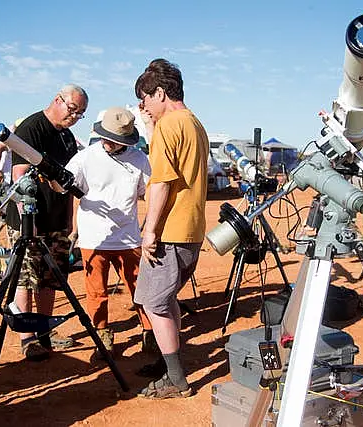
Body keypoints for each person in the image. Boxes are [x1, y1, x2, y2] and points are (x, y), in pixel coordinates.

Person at [133, 58, 208, 399]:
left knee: (155, 304)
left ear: (160, 92)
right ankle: (170, 364)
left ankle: (176, 379)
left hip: (169, 231)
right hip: (190, 229)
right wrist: (152, 126)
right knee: (167, 299)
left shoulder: (169, 127)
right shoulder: (193, 122)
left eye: (145, 98)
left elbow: (162, 181)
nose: (142, 106)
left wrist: (150, 230)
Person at [64, 106, 156, 360]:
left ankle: (150, 331)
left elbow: (147, 193)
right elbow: (65, 184)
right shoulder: (85, 158)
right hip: (94, 238)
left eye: (114, 139)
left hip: (128, 237)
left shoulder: (139, 159)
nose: (108, 142)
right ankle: (101, 334)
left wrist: (151, 227)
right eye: (106, 136)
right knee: (96, 292)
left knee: (140, 288)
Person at [5, 84, 88, 361]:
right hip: (29, 223)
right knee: (26, 279)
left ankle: (44, 332)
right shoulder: (31, 128)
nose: (75, 117)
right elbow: (19, 178)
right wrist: (30, 223)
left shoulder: (66, 136)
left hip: (56, 221)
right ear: (58, 100)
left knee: (51, 279)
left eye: (80, 114)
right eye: (73, 109)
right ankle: (27, 338)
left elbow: (68, 179)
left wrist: (68, 222)